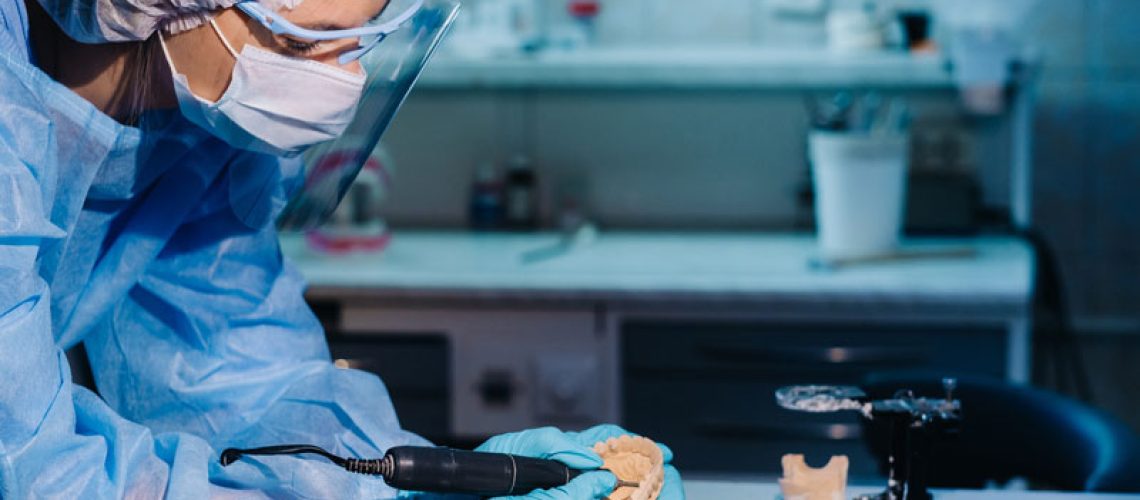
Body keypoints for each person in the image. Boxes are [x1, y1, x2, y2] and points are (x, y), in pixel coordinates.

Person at [0, 0, 684, 497]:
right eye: (306, 42)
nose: (343, 81)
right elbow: (37, 471)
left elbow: (239, 389)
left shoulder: (199, 140)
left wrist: (413, 483)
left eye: (358, 40)